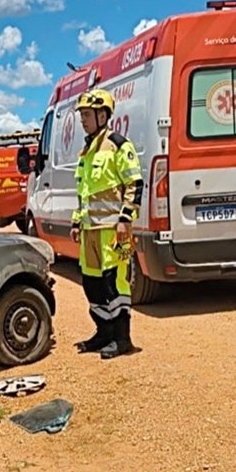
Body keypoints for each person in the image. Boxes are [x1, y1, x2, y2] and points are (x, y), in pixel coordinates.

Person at [70, 89, 144, 360]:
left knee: (116, 285)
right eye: (82, 116)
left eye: (87, 115)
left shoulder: (118, 145)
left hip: (115, 230)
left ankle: (122, 339)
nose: (83, 120)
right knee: (92, 284)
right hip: (90, 231)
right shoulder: (86, 151)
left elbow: (134, 184)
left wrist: (125, 219)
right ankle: (103, 333)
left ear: (103, 115)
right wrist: (77, 222)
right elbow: (84, 192)